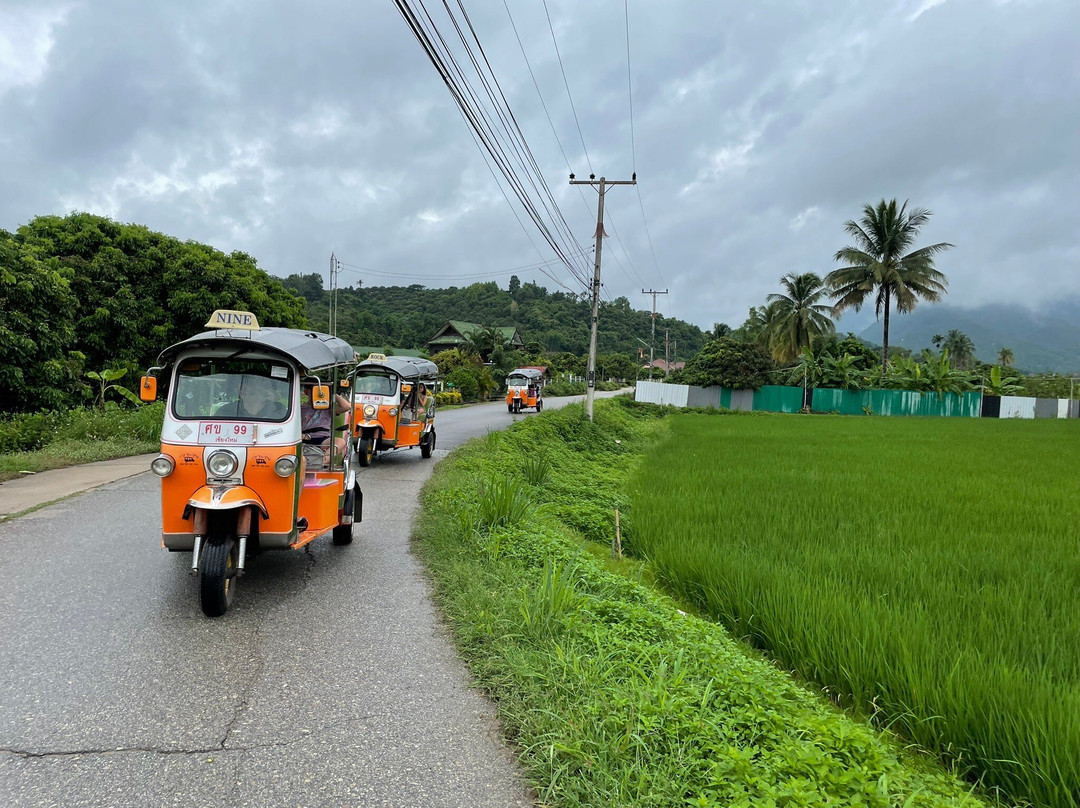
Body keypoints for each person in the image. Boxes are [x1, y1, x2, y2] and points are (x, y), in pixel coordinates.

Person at [300, 383, 350, 465]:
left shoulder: (327, 407)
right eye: (315, 389)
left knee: (340, 442)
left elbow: (347, 407)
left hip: (322, 438)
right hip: (303, 438)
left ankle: (321, 462)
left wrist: (331, 393)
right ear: (306, 392)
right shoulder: (300, 408)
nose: (318, 393)